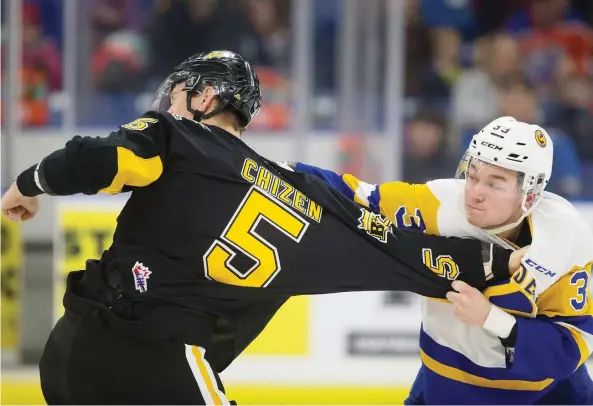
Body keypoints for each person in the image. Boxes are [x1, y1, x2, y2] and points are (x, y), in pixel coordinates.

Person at [0, 51, 516, 405]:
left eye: (177, 93)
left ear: (204, 97)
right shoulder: (299, 194)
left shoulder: (174, 137)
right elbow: (390, 247)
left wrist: (29, 182)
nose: (168, 104)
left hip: (70, 351)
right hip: (161, 364)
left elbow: (99, 159)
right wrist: (489, 261)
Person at [289, 116, 593, 404]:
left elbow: (573, 342)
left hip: (546, 395)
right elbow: (353, 195)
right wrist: (271, 169)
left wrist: (492, 319)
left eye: (494, 183)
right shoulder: (439, 205)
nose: (474, 193)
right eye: (473, 176)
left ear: (529, 195)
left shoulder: (562, 237)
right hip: (450, 382)